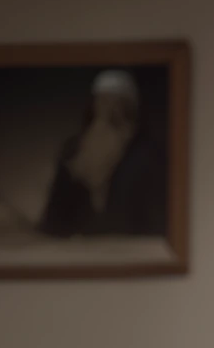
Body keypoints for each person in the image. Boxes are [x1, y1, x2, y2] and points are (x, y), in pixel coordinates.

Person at [38, 69, 167, 238]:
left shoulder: (147, 156)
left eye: (118, 102)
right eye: (103, 100)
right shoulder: (72, 151)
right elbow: (54, 221)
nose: (109, 107)